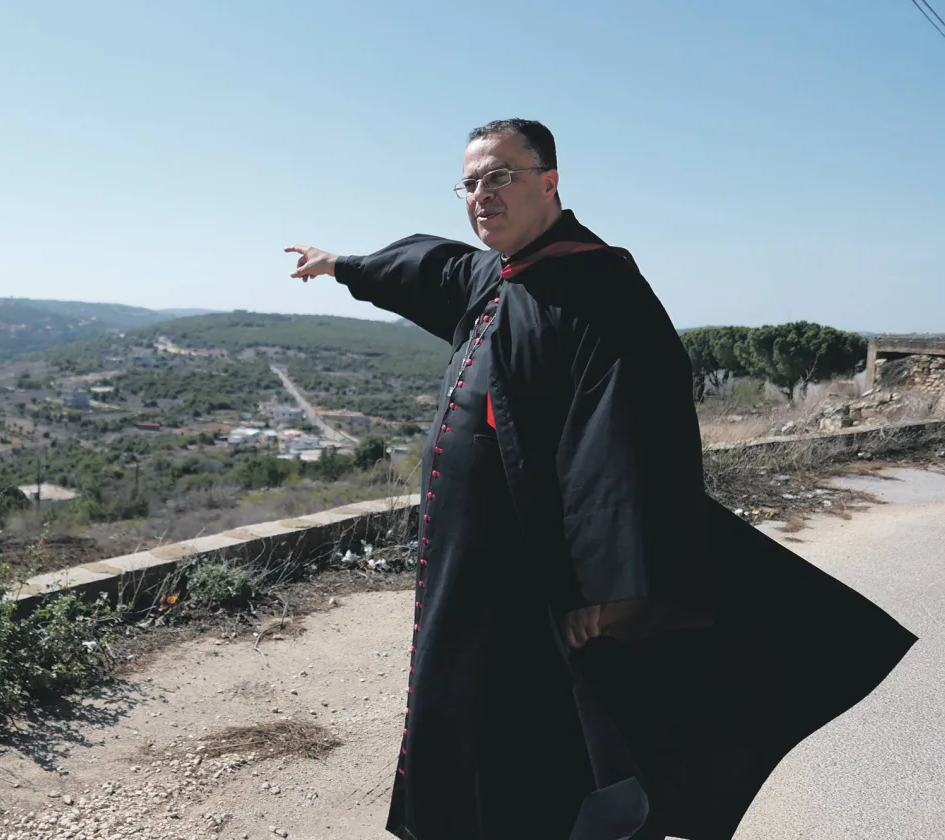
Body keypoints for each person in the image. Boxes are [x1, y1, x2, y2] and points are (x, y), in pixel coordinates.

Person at [284, 118, 916, 840]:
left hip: (534, 574)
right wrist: (341, 265)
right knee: (464, 715)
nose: (481, 194)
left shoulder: (600, 287)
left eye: (500, 176)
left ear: (549, 183)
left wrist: (602, 592)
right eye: (469, 182)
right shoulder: (497, 274)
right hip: (470, 569)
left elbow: (625, 439)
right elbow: (428, 267)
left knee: (539, 740)